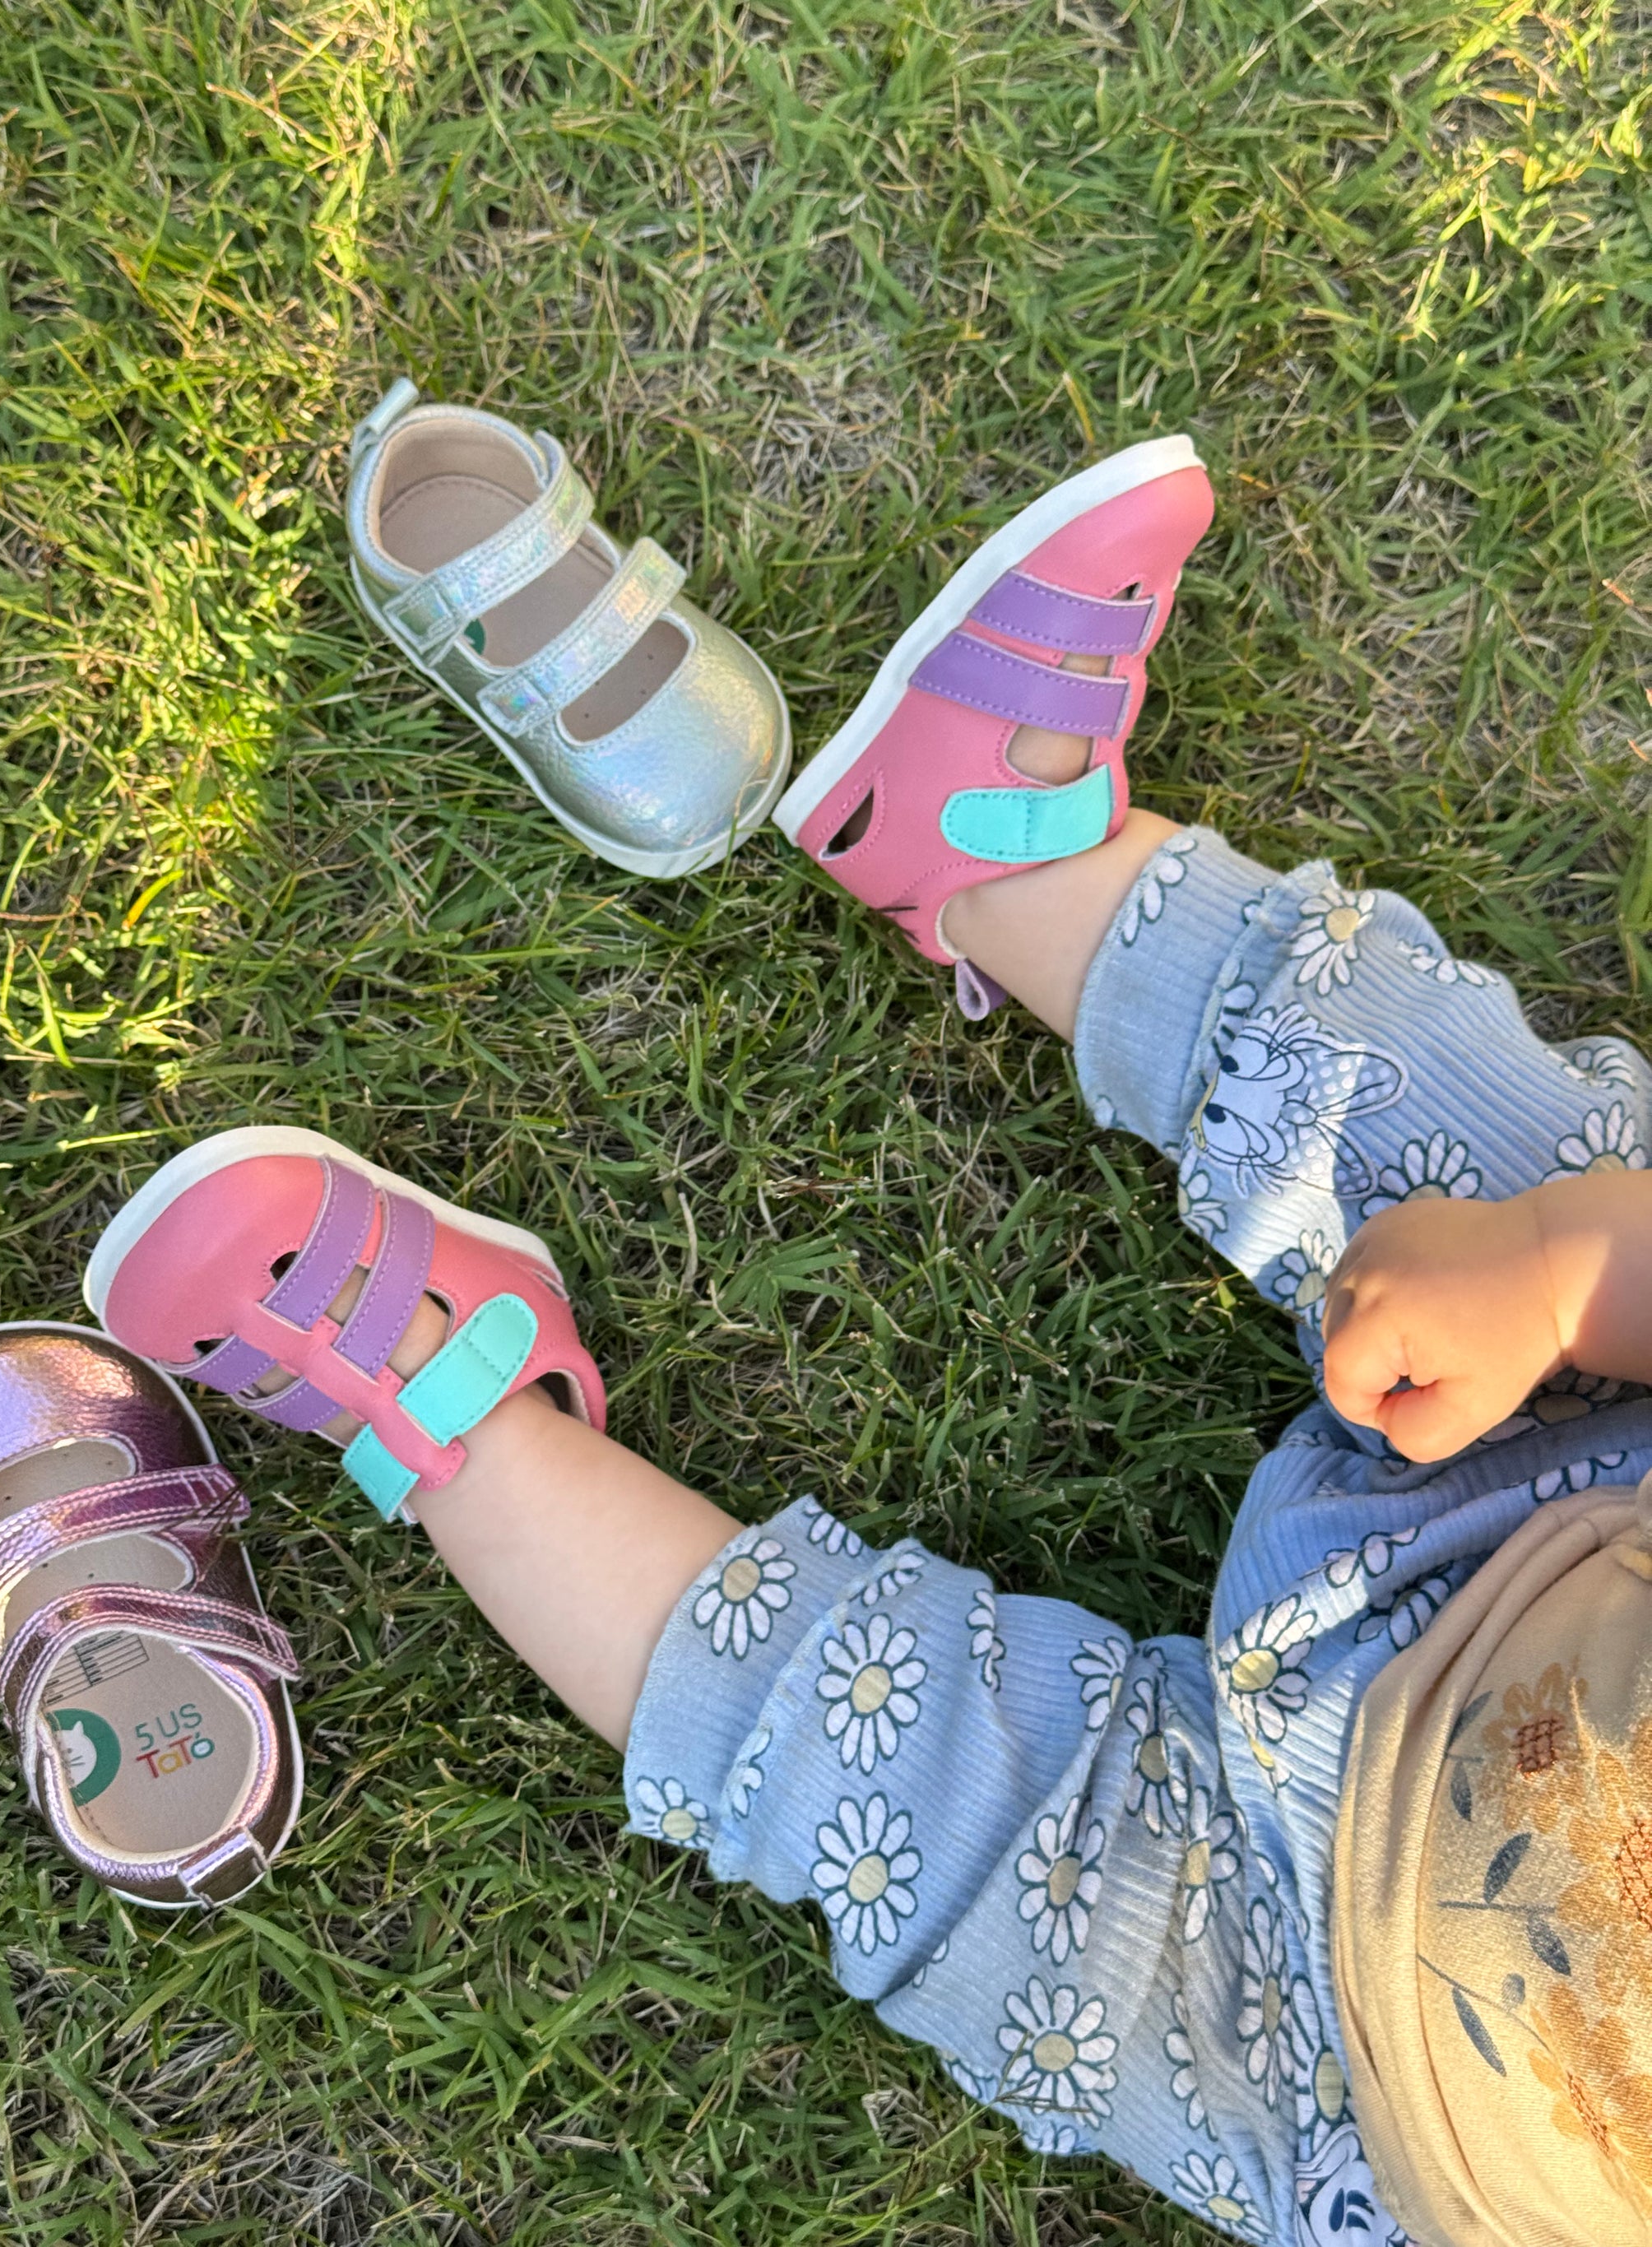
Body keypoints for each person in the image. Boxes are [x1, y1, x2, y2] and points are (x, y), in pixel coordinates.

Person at [84, 444, 1652, 2247]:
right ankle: (996, 852)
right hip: (1569, 1466)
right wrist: (1560, 1276)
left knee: (889, 1798)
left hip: (1351, 2056)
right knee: (1470, 1123)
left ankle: (469, 1423)